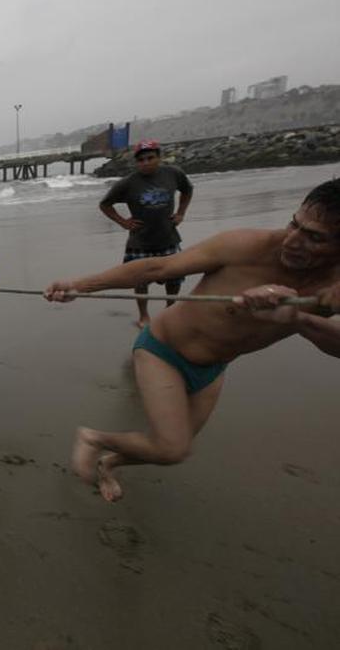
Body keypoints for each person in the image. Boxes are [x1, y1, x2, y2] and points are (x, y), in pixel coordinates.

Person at [45, 178, 340, 502]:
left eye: (314, 238)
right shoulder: (245, 245)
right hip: (163, 350)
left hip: (213, 368)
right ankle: (93, 438)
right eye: (294, 224)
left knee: (167, 449)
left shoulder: (333, 289)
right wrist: (80, 285)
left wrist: (299, 318)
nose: (293, 241)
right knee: (172, 448)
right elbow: (160, 267)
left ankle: (108, 463)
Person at [99, 139, 194, 327]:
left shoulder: (173, 174)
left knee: (174, 279)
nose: (146, 162)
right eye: (141, 160)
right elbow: (105, 204)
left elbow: (187, 190)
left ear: (159, 157)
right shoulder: (127, 183)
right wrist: (124, 222)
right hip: (140, 242)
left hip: (168, 237)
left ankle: (170, 310)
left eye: (150, 158)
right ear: (136, 162)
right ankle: (144, 316)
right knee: (140, 281)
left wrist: (181, 213)